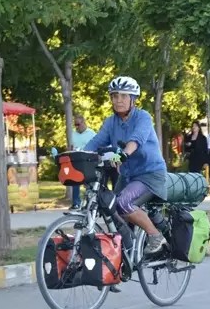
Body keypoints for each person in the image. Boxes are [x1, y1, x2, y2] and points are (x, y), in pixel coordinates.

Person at [84, 76, 168, 255]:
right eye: (114, 96)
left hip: (150, 174)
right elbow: (97, 141)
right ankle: (128, 245)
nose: (118, 100)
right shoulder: (111, 122)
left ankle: (155, 236)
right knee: (109, 205)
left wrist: (123, 154)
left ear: (133, 99)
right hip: (128, 176)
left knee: (123, 203)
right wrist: (79, 155)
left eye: (123, 96)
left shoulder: (143, 117)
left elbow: (135, 140)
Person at [70, 114, 96, 210]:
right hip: (77, 160)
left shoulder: (91, 133)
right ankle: (76, 203)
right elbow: (71, 147)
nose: (76, 127)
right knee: (75, 181)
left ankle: (89, 203)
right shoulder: (73, 134)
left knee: (89, 183)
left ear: (83, 123)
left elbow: (96, 146)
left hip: (88, 161)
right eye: (75, 125)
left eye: (78, 124)